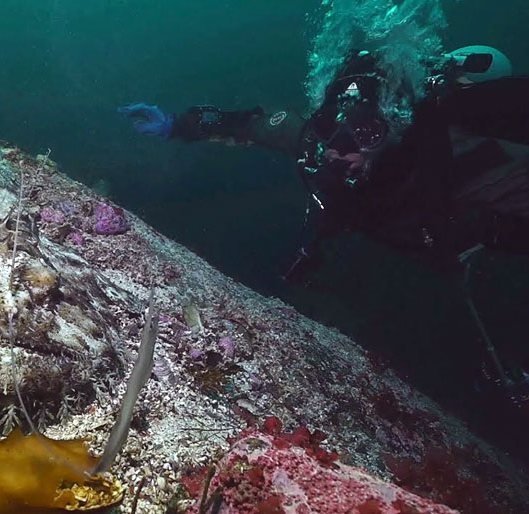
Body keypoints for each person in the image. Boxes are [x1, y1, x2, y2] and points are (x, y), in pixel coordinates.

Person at [119, 46, 529, 385]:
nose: (343, 150)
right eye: (344, 126)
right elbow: (255, 124)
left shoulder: (473, 162)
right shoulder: (319, 143)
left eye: (370, 132)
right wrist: (176, 125)